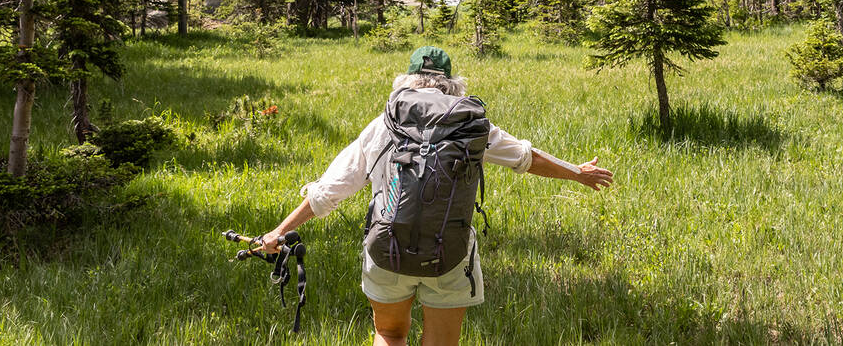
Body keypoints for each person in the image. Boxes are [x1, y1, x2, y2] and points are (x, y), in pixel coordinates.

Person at [261, 45, 613, 346]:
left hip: (387, 248)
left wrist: (279, 231)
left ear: (407, 80)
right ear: (450, 82)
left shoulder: (387, 122)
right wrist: (578, 173)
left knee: (388, 332)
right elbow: (525, 157)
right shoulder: (469, 122)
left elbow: (330, 190)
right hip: (450, 252)